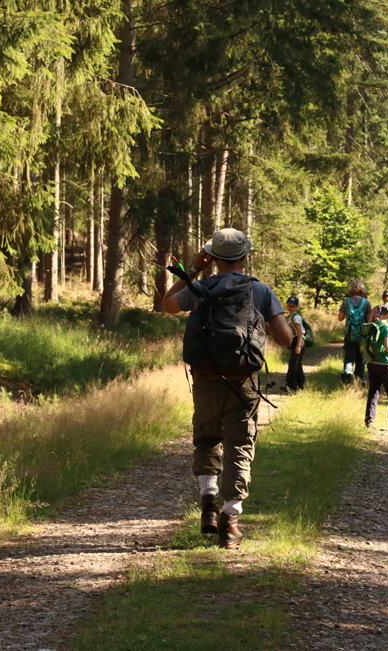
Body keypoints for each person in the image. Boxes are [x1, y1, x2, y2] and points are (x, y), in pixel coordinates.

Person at [162, 228, 294, 549]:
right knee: (239, 445)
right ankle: (229, 522)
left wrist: (193, 269)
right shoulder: (260, 291)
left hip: (205, 379)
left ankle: (208, 504)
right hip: (242, 381)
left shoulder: (199, 287)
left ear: (214, 258)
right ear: (245, 256)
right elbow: (286, 339)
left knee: (207, 439)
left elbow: (166, 305)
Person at [362, 301, 388, 432]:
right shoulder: (387, 327)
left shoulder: (373, 324)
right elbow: (387, 346)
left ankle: (369, 420)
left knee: (373, 391)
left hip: (372, 363)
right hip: (385, 364)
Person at [337, 280, 371, 385]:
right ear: (362, 289)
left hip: (349, 335)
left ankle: (347, 376)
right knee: (361, 358)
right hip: (362, 336)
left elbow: (340, 318)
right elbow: (369, 321)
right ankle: (360, 381)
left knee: (349, 357)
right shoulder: (366, 303)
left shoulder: (346, 302)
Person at [285, 296, 306, 392]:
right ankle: (301, 384)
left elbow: (300, 332)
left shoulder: (296, 317)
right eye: (288, 305)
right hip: (294, 342)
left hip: (299, 341)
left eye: (292, 306)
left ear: (297, 307)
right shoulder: (289, 317)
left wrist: (298, 346)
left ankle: (291, 386)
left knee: (293, 365)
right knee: (297, 364)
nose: (290, 307)